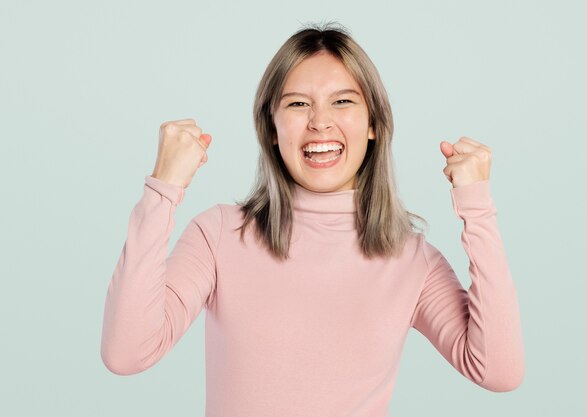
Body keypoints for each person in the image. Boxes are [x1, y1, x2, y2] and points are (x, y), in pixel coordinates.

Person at [101, 23, 524, 417]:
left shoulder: (413, 260)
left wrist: (477, 208)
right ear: (271, 126)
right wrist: (163, 189)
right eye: (299, 104)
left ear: (373, 122)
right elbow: (126, 353)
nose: (320, 122)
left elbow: (497, 371)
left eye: (342, 101)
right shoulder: (219, 236)